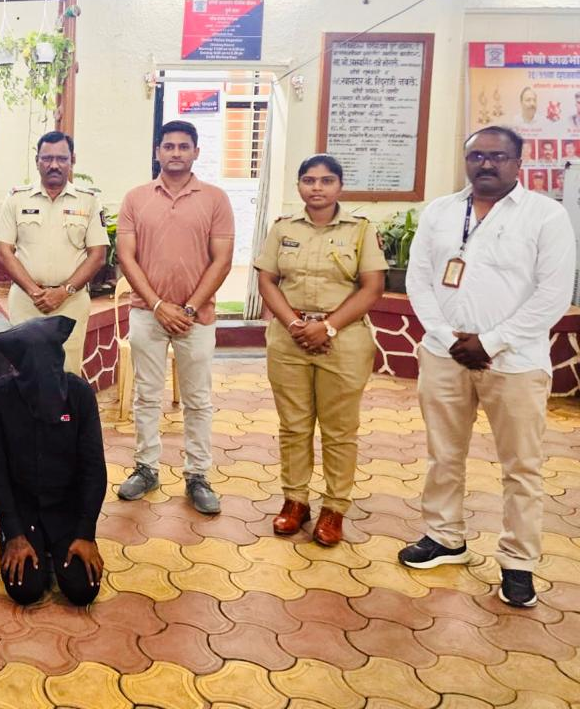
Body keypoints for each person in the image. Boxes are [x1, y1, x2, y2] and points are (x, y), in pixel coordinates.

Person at [399, 126, 574, 609]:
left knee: (522, 466)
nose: (486, 164)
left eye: (498, 156)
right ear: (466, 160)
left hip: (514, 362)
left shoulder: (546, 215)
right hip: (445, 355)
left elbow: (553, 294)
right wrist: (445, 337)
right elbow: (418, 280)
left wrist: (490, 342)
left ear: (518, 162)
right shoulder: (440, 211)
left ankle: (518, 562)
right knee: (443, 454)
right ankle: (444, 537)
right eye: (477, 156)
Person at [254, 155, 386, 546]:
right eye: (309, 180)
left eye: (327, 180)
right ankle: (295, 501)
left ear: (339, 186)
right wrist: (295, 325)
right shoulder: (283, 229)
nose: (317, 187)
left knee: (339, 430)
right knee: (293, 425)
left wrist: (327, 327)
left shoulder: (361, 230)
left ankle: (334, 507)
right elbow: (267, 280)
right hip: (289, 338)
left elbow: (372, 287)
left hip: (343, 340)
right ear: (299, 185)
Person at [115, 120, 234, 514]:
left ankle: (198, 475)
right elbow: (126, 256)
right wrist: (157, 305)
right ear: (158, 152)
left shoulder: (215, 199)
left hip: (196, 318)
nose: (176, 153)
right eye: (169, 146)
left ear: (197, 152)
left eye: (184, 146)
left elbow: (222, 260)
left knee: (198, 399)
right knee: (146, 395)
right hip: (147, 313)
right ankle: (146, 468)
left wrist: (188, 308)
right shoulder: (136, 198)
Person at [0, 316, 106, 607]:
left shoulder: (80, 395)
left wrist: (86, 532)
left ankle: (57, 541)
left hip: (67, 508)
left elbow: (94, 468)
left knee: (83, 590)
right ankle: (9, 534)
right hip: (22, 509)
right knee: (25, 590)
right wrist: (14, 532)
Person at [0, 132, 108, 375]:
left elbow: (97, 255)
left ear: (72, 160)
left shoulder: (88, 201)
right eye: (47, 158)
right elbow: (3, 252)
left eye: (61, 158)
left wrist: (63, 292)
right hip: (26, 301)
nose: (54, 165)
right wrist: (35, 292)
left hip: (71, 302)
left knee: (67, 372)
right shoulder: (17, 199)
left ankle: (64, 406)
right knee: (25, 372)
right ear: (37, 161)